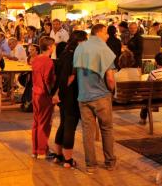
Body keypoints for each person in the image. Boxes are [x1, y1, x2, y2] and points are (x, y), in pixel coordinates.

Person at [73, 23, 117, 173]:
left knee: (87, 132)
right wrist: (112, 89)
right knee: (106, 129)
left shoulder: (80, 47)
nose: (108, 36)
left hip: (84, 96)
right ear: (100, 32)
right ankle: (110, 162)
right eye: (106, 33)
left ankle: (90, 165)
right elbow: (110, 78)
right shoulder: (103, 49)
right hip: (101, 96)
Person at [52, 30, 88, 168]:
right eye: (85, 40)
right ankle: (68, 160)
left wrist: (58, 93)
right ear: (80, 41)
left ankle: (58, 155)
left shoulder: (65, 53)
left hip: (63, 95)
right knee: (70, 126)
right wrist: (62, 92)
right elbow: (70, 77)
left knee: (63, 123)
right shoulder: (76, 55)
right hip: (71, 95)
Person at [31, 36, 56, 159]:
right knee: (44, 123)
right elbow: (48, 81)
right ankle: (42, 151)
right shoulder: (48, 61)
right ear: (50, 47)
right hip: (44, 95)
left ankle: (35, 149)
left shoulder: (35, 59)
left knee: (36, 122)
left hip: (35, 92)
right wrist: (53, 94)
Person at [139, 52, 162, 125]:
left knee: (146, 95)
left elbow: (147, 85)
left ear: (156, 62)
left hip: (156, 98)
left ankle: (143, 119)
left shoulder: (153, 73)